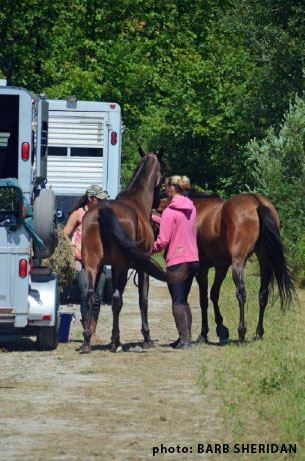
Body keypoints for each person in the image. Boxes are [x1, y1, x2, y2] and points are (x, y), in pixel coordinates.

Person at [152, 175, 199, 349]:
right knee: (184, 300)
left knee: (177, 301)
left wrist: (150, 249)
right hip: (193, 258)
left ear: (171, 189)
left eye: (166, 188)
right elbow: (179, 224)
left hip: (177, 261)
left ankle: (185, 340)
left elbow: (163, 241)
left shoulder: (170, 212)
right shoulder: (191, 208)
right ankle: (186, 338)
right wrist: (157, 219)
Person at [63, 184, 109, 343]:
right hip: (81, 261)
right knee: (85, 294)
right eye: (100, 199)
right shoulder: (79, 214)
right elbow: (65, 234)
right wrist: (73, 247)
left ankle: (93, 329)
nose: (103, 202)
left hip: (100, 261)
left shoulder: (102, 214)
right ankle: (87, 331)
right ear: (91, 198)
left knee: (98, 296)